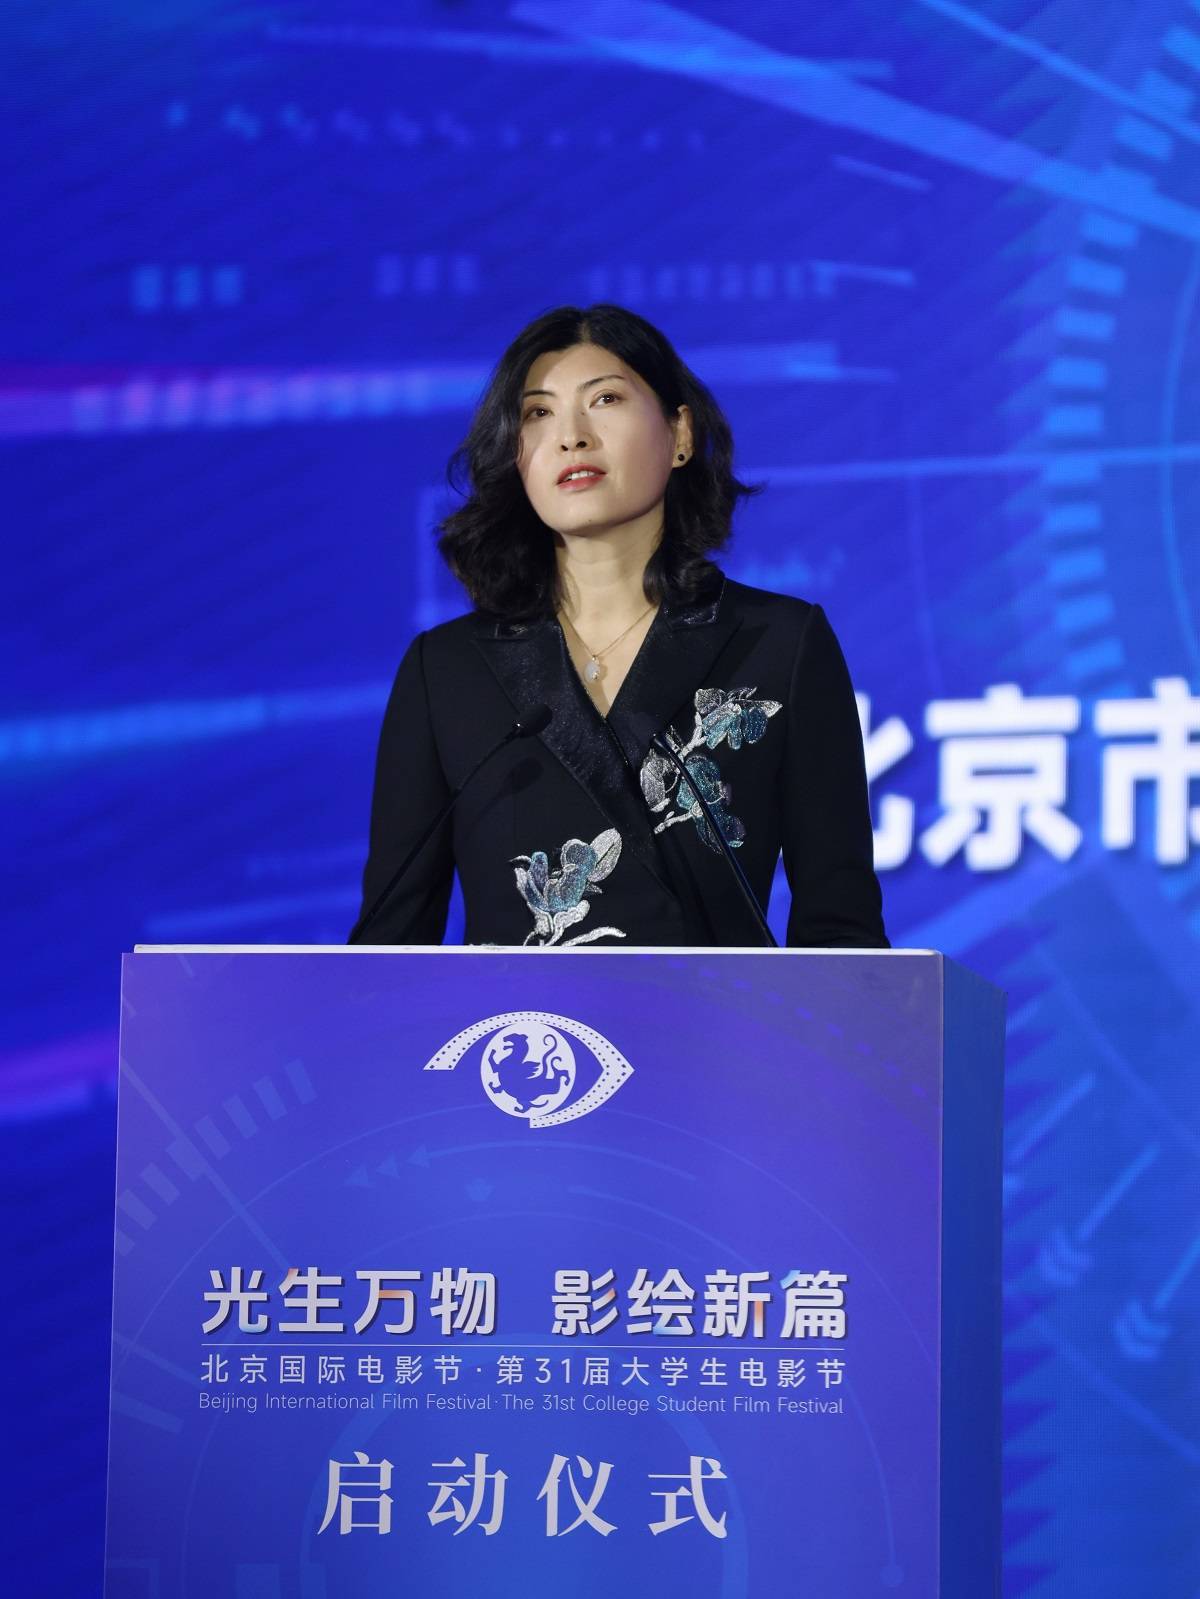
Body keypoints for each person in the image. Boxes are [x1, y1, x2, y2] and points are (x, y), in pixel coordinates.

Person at [352, 303, 887, 950]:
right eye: (538, 413)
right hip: (520, 1019)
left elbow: (842, 930)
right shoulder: (446, 669)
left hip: (716, 1016)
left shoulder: (779, 643)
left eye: (605, 399)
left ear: (680, 433)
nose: (571, 436)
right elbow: (389, 944)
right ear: (516, 457)